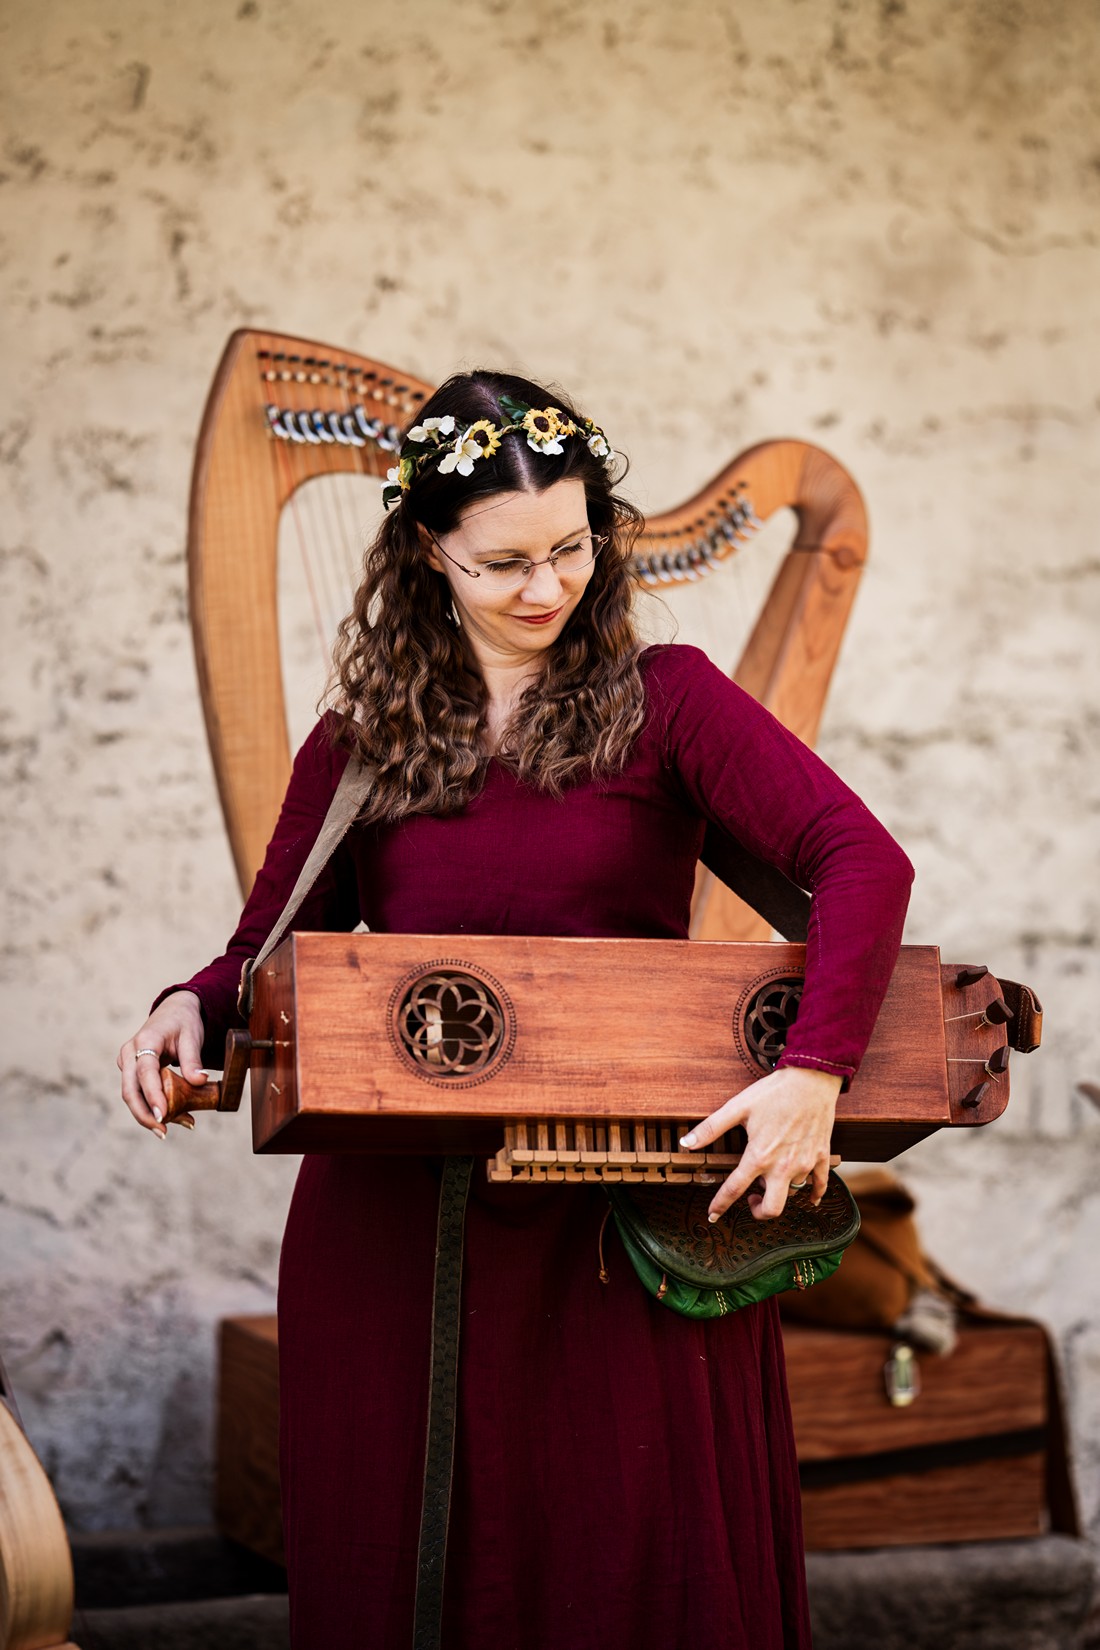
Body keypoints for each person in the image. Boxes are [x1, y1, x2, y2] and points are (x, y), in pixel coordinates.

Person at [119, 371, 914, 1650]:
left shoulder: (667, 699)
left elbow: (859, 859)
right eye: (502, 563)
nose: (546, 587)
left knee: (622, 1560)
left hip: (612, 1215)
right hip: (393, 1218)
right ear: (426, 551)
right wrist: (186, 1010)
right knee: (403, 1557)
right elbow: (262, 950)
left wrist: (812, 1070)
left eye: (570, 548)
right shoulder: (362, 741)